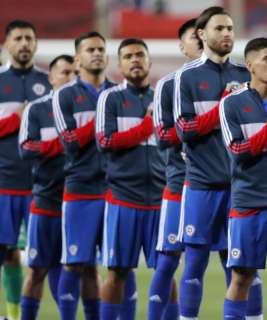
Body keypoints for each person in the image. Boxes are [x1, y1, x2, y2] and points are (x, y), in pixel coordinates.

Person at [172, 6, 257, 319]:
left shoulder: (244, 75)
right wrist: (224, 106)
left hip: (242, 187)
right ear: (201, 34)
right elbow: (185, 129)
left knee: (243, 266)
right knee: (193, 264)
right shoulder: (187, 77)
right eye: (219, 28)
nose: (226, 34)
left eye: (230, 29)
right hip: (201, 186)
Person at [52, 31, 121, 320]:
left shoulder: (119, 92)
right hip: (80, 189)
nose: (97, 53)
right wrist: (103, 125)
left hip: (116, 190)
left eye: (101, 49)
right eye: (90, 49)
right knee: (74, 263)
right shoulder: (64, 95)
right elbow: (68, 142)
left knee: (112, 267)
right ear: (78, 58)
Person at [95, 38, 165, 320]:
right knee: (117, 271)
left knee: (166, 269)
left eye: (140, 55)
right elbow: (105, 141)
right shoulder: (110, 98)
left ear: (149, 61)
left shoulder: (163, 98)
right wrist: (147, 125)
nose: (135, 60)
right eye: (128, 56)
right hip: (123, 199)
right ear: (120, 64)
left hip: (161, 199)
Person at [219, 37, 267, 320]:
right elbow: (238, 151)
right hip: (247, 203)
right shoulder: (231, 104)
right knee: (242, 277)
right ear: (249, 64)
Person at [148, 17, 202, 320]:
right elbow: (163, 135)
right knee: (168, 258)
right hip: (179, 183)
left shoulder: (236, 79)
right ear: (182, 46)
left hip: (226, 186)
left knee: (236, 263)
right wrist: (194, 130)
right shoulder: (169, 85)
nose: (200, 40)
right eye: (193, 37)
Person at [17, 54, 76, 320]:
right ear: (51, 78)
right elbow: (26, 148)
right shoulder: (37, 109)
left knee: (78, 268)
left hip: (78, 201)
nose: (70, 77)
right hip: (46, 201)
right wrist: (61, 146)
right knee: (38, 269)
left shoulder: (86, 106)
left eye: (74, 73)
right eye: (64, 72)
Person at [0, 19, 51, 320]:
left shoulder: (47, 83)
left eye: (29, 38)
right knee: (6, 253)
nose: (24, 44)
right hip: (3, 182)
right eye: (18, 38)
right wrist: (18, 118)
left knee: (40, 258)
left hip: (40, 184)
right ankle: (12, 314)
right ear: (7, 43)